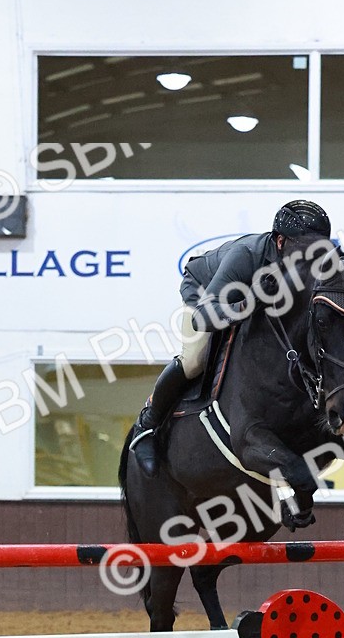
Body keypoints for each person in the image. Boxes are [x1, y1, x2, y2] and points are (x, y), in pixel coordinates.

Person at [130, 199, 332, 477]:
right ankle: (147, 424)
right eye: (305, 250)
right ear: (281, 241)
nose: (312, 259)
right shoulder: (246, 255)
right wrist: (248, 304)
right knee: (195, 360)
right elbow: (202, 317)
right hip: (205, 294)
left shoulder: (311, 262)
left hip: (250, 301)